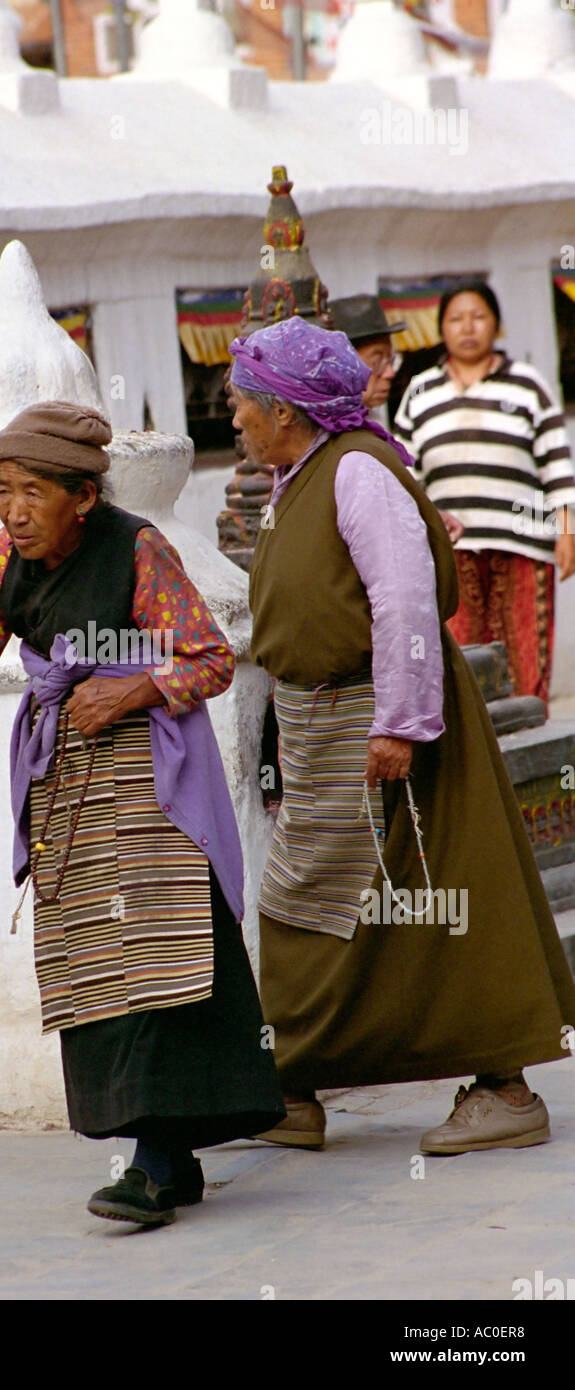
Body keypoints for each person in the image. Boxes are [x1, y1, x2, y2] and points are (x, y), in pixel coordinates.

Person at [0, 400, 284, 1226]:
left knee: (159, 954)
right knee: (94, 962)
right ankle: (162, 1156)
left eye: (32, 491)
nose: (14, 510)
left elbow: (207, 658)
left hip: (151, 783)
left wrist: (132, 687)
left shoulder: (138, 550)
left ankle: (155, 1162)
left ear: (83, 498)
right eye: (3, 489)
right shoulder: (2, 561)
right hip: (66, 781)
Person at [231, 316, 575, 1156]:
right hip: (321, 727)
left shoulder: (356, 472)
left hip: (381, 722)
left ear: (285, 411)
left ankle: (503, 1089)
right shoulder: (299, 476)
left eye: (243, 402)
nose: (232, 417)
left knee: (443, 895)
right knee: (307, 903)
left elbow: (405, 601)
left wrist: (400, 724)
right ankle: (293, 1088)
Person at [393, 280, 575, 707]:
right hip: (450, 552)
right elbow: (403, 472)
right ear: (441, 329)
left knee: (527, 659)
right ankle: (476, 763)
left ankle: (534, 760)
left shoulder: (528, 385)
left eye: (479, 317)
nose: (468, 328)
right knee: (460, 662)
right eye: (456, 319)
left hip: (523, 547)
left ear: (497, 325)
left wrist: (567, 529)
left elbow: (557, 463)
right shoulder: (420, 391)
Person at [331, 292, 464, 545]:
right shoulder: (327, 437)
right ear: (341, 363)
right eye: (377, 360)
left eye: (391, 359)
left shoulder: (369, 429)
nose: (391, 372)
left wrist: (427, 517)